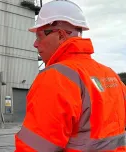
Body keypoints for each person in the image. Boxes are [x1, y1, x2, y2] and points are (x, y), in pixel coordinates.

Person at [15, 0, 126, 151]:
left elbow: (35, 148)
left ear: (60, 35)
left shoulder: (56, 78)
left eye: (39, 36)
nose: (35, 44)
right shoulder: (110, 74)